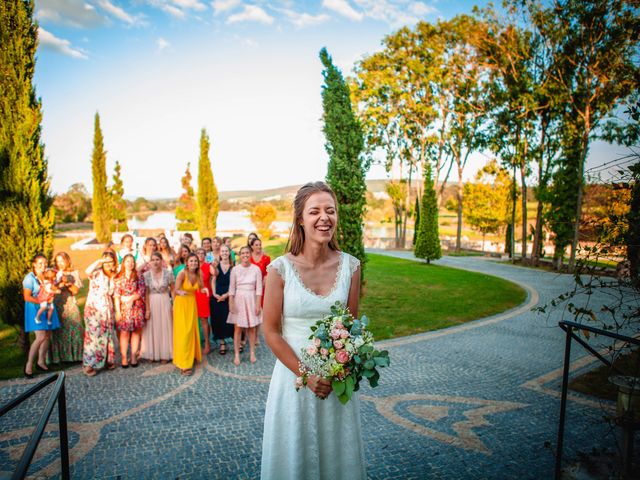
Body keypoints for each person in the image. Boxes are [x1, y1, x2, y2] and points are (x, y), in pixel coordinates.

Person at [261, 181, 365, 479]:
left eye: (330, 211)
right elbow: (271, 332)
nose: (324, 218)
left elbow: (351, 328)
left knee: (336, 457)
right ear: (300, 220)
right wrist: (306, 376)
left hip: (335, 383)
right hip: (294, 381)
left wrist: (337, 373)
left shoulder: (351, 267)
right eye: (315, 211)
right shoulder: (279, 269)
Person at [23, 254, 61, 378]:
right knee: (40, 336)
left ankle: (41, 362)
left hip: (48, 307)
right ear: (34, 264)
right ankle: (28, 365)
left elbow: (52, 288)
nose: (43, 266)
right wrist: (41, 301)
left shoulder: (47, 275)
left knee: (47, 335)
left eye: (45, 263)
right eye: (40, 263)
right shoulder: (29, 278)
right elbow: (27, 297)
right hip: (35, 308)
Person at [82, 251, 118, 377]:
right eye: (105, 261)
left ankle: (108, 360)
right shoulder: (96, 272)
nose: (108, 263)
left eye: (110, 261)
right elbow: (87, 271)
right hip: (94, 307)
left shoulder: (113, 275)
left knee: (107, 334)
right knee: (93, 336)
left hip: (107, 307)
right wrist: (99, 262)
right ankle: (89, 364)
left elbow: (112, 293)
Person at [227, 245, 262, 366]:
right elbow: (231, 288)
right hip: (239, 299)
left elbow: (259, 289)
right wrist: (231, 302)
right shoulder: (235, 269)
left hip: (252, 298)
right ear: (240, 255)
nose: (245, 255)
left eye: (247, 253)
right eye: (243, 253)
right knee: (237, 329)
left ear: (250, 254)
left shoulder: (256, 269)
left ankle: (252, 352)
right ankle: (236, 354)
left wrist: (258, 304)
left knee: (251, 328)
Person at [173, 253, 206, 376]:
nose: (193, 263)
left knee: (191, 331)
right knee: (184, 333)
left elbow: (200, 288)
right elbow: (175, 290)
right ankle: (183, 364)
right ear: (187, 262)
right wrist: (180, 292)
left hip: (192, 304)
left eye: (195, 261)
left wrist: (205, 290)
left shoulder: (198, 274)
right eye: (191, 261)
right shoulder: (182, 273)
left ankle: (191, 356)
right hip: (181, 305)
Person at [49, 252, 84, 364]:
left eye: (62, 261)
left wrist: (68, 283)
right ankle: (59, 358)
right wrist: (58, 282)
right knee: (58, 331)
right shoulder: (52, 274)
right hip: (57, 304)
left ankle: (76, 356)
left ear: (67, 261)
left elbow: (75, 291)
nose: (60, 263)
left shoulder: (74, 273)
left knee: (75, 329)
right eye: (58, 261)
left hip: (70, 303)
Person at [114, 254, 146, 368]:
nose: (130, 263)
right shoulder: (118, 277)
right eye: (128, 261)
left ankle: (133, 356)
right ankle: (124, 358)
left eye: (132, 261)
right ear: (123, 263)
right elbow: (117, 295)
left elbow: (142, 290)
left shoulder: (139, 276)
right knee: (124, 332)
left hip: (137, 307)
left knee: (136, 331)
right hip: (124, 309)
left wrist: (131, 299)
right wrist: (117, 311)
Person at [141, 252, 174, 363]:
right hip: (152, 301)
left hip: (165, 301)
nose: (155, 262)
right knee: (152, 327)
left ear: (161, 261)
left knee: (165, 326)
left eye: (157, 259)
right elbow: (146, 293)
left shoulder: (168, 273)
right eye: (153, 259)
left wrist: (174, 305)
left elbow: (173, 290)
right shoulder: (146, 275)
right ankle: (152, 353)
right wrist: (147, 309)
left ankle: (165, 354)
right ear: (150, 262)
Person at [210, 244, 234, 355]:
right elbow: (213, 280)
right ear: (219, 253)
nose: (224, 253)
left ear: (229, 253)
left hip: (229, 295)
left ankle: (236, 340)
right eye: (222, 251)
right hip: (217, 295)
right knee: (218, 319)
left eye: (226, 251)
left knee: (230, 319)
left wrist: (227, 295)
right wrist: (214, 293)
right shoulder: (216, 265)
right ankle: (222, 343)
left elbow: (235, 284)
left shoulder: (233, 267)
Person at [195, 248, 215, 355]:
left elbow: (215, 274)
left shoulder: (208, 266)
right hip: (193, 295)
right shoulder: (193, 266)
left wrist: (214, 265)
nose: (201, 255)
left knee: (204, 320)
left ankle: (207, 343)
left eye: (202, 253)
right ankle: (195, 343)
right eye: (198, 253)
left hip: (204, 296)